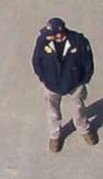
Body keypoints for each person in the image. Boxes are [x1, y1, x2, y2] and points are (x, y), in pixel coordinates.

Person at [33, 17, 96, 153]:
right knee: (52, 112)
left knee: (79, 108)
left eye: (61, 32)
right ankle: (54, 136)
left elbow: (88, 62)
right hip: (51, 85)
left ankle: (84, 129)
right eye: (55, 34)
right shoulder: (43, 43)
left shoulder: (78, 41)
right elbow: (36, 61)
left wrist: (83, 80)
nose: (59, 36)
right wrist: (44, 78)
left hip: (74, 84)